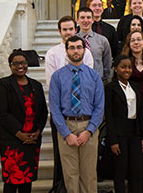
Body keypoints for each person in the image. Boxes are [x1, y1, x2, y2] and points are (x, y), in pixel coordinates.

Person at [49, 36, 104, 193]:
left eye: (79, 47)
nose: (75, 50)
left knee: (89, 173)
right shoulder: (57, 77)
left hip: (89, 126)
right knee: (70, 174)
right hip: (66, 126)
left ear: (84, 50)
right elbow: (55, 108)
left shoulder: (94, 76)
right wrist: (66, 134)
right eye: (72, 48)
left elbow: (99, 106)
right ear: (66, 51)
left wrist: (90, 130)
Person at [45, 15, 93, 192]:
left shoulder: (84, 52)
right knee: (61, 157)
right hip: (62, 113)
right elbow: (52, 84)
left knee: (85, 164)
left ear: (76, 29)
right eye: (64, 29)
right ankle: (61, 188)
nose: (68, 32)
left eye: (71, 29)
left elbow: (87, 80)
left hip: (83, 113)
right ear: (59, 32)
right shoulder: (52, 53)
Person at [0, 50, 48, 193]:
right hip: (11, 140)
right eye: (16, 63)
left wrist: (37, 132)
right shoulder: (4, 84)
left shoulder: (36, 85)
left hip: (32, 140)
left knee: (27, 180)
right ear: (10, 66)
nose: (20, 66)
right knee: (12, 181)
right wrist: (20, 133)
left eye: (23, 63)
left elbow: (43, 111)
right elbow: (2, 113)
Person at [105, 54, 143, 193]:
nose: (127, 70)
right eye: (123, 67)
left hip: (135, 133)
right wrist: (113, 140)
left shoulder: (135, 87)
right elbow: (109, 116)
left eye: (130, 67)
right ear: (116, 69)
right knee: (120, 171)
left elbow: (140, 113)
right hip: (119, 135)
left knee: (137, 170)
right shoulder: (110, 88)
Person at [121, 30, 143, 193]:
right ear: (129, 43)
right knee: (134, 151)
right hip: (131, 110)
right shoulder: (125, 62)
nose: (136, 42)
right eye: (132, 40)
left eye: (139, 39)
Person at [76, 7, 112, 82]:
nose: (86, 20)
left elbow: (107, 64)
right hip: (77, 82)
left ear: (93, 20)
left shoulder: (102, 40)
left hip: (97, 81)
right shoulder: (73, 41)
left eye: (88, 17)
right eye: (82, 18)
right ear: (77, 20)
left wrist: (104, 80)